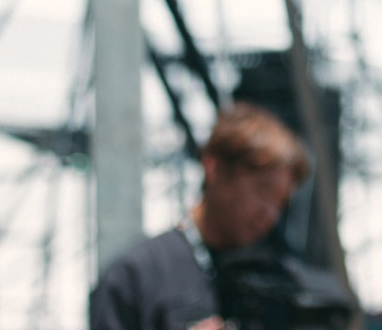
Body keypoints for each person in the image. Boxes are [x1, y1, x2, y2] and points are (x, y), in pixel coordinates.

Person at [89, 102, 314, 330]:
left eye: (280, 202)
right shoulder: (135, 277)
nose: (270, 213)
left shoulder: (288, 282)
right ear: (214, 168)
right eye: (262, 190)